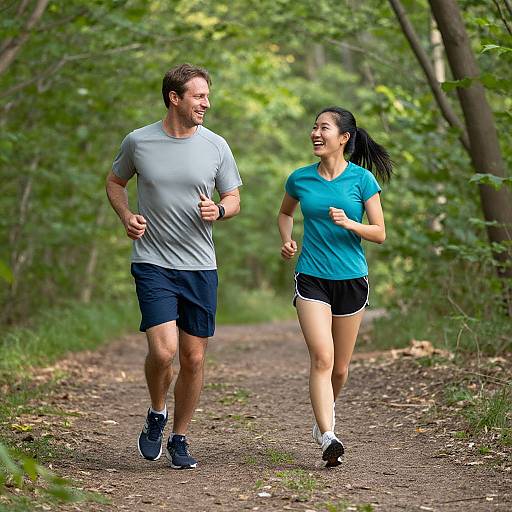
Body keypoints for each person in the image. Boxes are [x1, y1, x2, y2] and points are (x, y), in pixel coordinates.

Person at [106, 63, 242, 469]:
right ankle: (156, 411)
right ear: (175, 98)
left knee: (194, 358)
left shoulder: (217, 146)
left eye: (207, 95)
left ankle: (179, 437)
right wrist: (126, 215)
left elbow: (234, 198)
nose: (206, 103)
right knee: (163, 353)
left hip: (200, 266)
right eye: (199, 96)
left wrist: (219, 209)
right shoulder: (138, 142)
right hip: (153, 261)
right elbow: (115, 182)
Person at [278, 107, 392, 467]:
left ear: (343, 138)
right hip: (311, 276)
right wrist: (287, 238)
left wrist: (350, 225)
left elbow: (379, 233)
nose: (315, 132)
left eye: (323, 128)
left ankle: (322, 418)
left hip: (351, 280)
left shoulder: (362, 181)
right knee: (322, 358)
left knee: (339, 369)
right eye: (313, 127)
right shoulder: (300, 179)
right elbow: (285, 213)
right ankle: (328, 435)